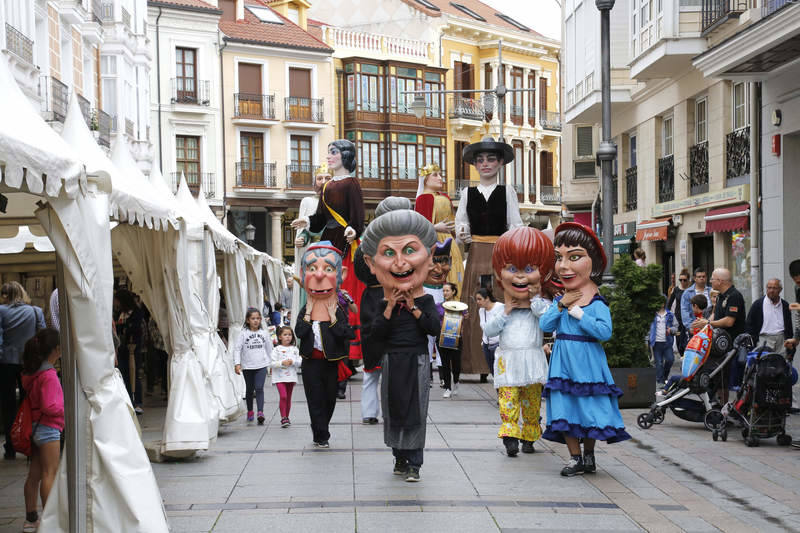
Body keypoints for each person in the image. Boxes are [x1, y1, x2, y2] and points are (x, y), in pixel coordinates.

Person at [540, 222, 630, 477]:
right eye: (559, 258)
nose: (564, 266)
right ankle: (575, 458)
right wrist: (560, 306)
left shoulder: (597, 302)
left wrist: (580, 314)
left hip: (589, 361)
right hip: (564, 362)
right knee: (565, 407)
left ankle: (588, 456)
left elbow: (605, 332)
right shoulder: (561, 299)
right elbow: (544, 324)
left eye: (575, 257)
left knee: (589, 408)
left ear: (593, 263)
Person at [361, 201, 440, 482]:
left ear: (429, 256)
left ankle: (415, 463)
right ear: (371, 263)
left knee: (416, 410)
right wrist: (390, 306)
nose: (400, 263)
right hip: (391, 360)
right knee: (393, 409)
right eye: (388, 253)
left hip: (417, 359)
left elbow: (434, 328)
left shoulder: (427, 299)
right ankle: (399, 456)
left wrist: (414, 308)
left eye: (409, 250)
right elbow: (374, 333)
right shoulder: (378, 301)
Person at [454, 137, 523, 380]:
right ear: (474, 165)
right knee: (476, 305)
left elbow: (515, 224)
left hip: (500, 254)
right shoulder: (467, 193)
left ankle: (500, 360)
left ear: (500, 163)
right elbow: (460, 223)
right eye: (480, 160)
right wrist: (461, 231)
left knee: (501, 302)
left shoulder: (508, 192)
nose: (485, 164)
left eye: (490, 159)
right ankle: (477, 363)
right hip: (476, 254)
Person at [291, 140, 366, 362]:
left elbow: (357, 213)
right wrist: (306, 220)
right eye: (328, 152)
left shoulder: (352, 184)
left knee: (342, 287)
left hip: (344, 240)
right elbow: (321, 218)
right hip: (328, 239)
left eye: (333, 153)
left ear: (345, 156)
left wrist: (353, 228)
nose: (329, 156)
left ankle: (347, 345)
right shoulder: (327, 187)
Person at [483, 227, 554, 457]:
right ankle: (510, 437)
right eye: (512, 269)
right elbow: (489, 329)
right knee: (509, 401)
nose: (521, 276)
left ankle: (530, 435)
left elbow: (548, 322)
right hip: (508, 360)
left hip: (532, 358)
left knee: (532, 402)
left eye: (530, 269)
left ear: (544, 274)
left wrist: (534, 300)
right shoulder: (500, 310)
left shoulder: (541, 306)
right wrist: (506, 312)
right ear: (499, 274)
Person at [295, 242, 355, 448]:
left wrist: (332, 317)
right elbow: (299, 332)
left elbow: (345, 334)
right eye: (312, 269)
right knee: (314, 400)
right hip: (311, 362)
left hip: (331, 362)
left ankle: (320, 428)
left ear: (340, 274)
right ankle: (322, 435)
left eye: (328, 269)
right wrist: (309, 314)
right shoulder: (305, 308)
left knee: (329, 400)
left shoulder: (337, 309)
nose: (319, 275)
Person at [19, 328, 63, 532]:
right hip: (48, 428)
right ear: (56, 349)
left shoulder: (32, 373)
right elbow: (50, 406)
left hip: (35, 427)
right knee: (50, 473)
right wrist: (66, 408)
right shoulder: (49, 375)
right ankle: (49, 520)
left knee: (34, 475)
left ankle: (31, 519)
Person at [0, 282, 46, 460]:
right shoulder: (35, 311)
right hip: (29, 364)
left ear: (6, 295)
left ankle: (11, 446)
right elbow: (41, 337)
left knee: (8, 405)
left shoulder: (1, 311)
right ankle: (32, 443)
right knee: (31, 404)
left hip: (6, 364)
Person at [292, 164, 332, 330]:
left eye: (327, 178)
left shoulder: (338, 202)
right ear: (314, 182)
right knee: (310, 289)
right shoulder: (308, 201)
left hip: (332, 253)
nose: (323, 182)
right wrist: (301, 237)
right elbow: (305, 229)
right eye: (320, 178)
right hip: (313, 253)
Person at [414, 163, 464, 293]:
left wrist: (459, 233)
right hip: (435, 244)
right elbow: (419, 227)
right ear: (425, 180)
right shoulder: (423, 199)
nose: (440, 178)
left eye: (440, 175)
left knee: (455, 272)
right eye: (435, 175)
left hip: (450, 242)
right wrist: (434, 227)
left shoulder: (445, 197)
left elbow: (452, 221)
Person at [233, 308, 272, 425]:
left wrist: (271, 364)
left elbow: (270, 349)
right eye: (253, 318)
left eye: (258, 318)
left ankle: (260, 412)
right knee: (249, 390)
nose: (256, 321)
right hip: (248, 366)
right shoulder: (243, 334)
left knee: (259, 388)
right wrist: (237, 363)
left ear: (261, 320)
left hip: (261, 365)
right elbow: (237, 349)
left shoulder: (264, 333)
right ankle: (250, 411)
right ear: (248, 320)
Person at [114, 290, 145, 415]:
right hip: (122, 349)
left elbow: (136, 328)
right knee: (124, 374)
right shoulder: (119, 313)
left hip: (133, 349)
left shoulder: (136, 312)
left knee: (134, 373)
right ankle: (128, 400)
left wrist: (125, 327)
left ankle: (137, 401)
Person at [746, 279, 793, 356]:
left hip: (781, 340)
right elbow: (749, 325)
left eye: (774, 288)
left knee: (782, 365)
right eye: (769, 287)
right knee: (764, 365)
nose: (771, 290)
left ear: (780, 290)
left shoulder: (785, 305)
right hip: (764, 339)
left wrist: (791, 346)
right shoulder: (758, 305)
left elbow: (789, 327)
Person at [438, 282, 464, 399]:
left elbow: (464, 319)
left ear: (453, 291)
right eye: (443, 291)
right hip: (442, 338)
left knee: (456, 363)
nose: (445, 293)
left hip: (456, 338)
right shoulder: (438, 306)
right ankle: (447, 387)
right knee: (445, 364)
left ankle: (456, 381)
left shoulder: (461, 306)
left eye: (447, 290)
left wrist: (464, 317)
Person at [271, 326, 301, 428]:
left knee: (288, 398)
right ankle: (283, 417)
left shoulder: (294, 349)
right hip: (279, 377)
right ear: (280, 337)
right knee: (283, 396)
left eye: (290, 335)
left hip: (291, 377)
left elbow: (300, 361)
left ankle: (286, 417)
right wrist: (282, 363)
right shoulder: (276, 349)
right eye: (285, 335)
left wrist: (293, 362)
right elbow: (272, 363)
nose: (288, 337)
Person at [649, 296, 678, 387]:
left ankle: (664, 375)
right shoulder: (652, 315)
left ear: (664, 303)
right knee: (659, 362)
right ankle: (660, 381)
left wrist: (672, 330)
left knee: (670, 360)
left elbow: (676, 326)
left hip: (667, 342)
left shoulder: (670, 314)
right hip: (656, 342)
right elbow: (649, 328)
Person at [476, 288, 504, 379]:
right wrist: (483, 341)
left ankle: (502, 393)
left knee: (500, 372)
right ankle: (499, 393)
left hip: (498, 344)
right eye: (476, 299)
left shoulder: (500, 307)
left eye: (480, 299)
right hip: (486, 345)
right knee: (493, 372)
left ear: (487, 298)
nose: (477, 302)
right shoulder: (481, 310)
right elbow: (484, 327)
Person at [667, 269, 691, 354]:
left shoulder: (691, 290)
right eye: (680, 280)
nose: (682, 282)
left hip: (688, 317)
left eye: (685, 280)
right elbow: (669, 304)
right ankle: (681, 353)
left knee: (687, 337)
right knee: (678, 336)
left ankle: (686, 353)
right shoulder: (676, 290)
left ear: (688, 280)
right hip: (678, 317)